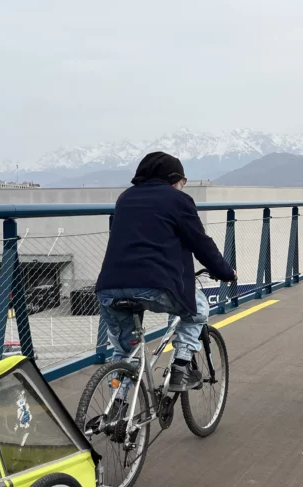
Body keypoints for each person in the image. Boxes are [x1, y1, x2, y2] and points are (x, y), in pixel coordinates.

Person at [95, 151, 237, 393]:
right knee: (197, 309)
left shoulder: (124, 198)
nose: (184, 186)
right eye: (183, 181)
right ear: (174, 178)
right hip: (156, 285)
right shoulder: (178, 200)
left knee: (125, 352)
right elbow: (201, 243)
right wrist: (225, 272)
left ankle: (117, 410)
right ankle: (181, 368)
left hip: (109, 287)